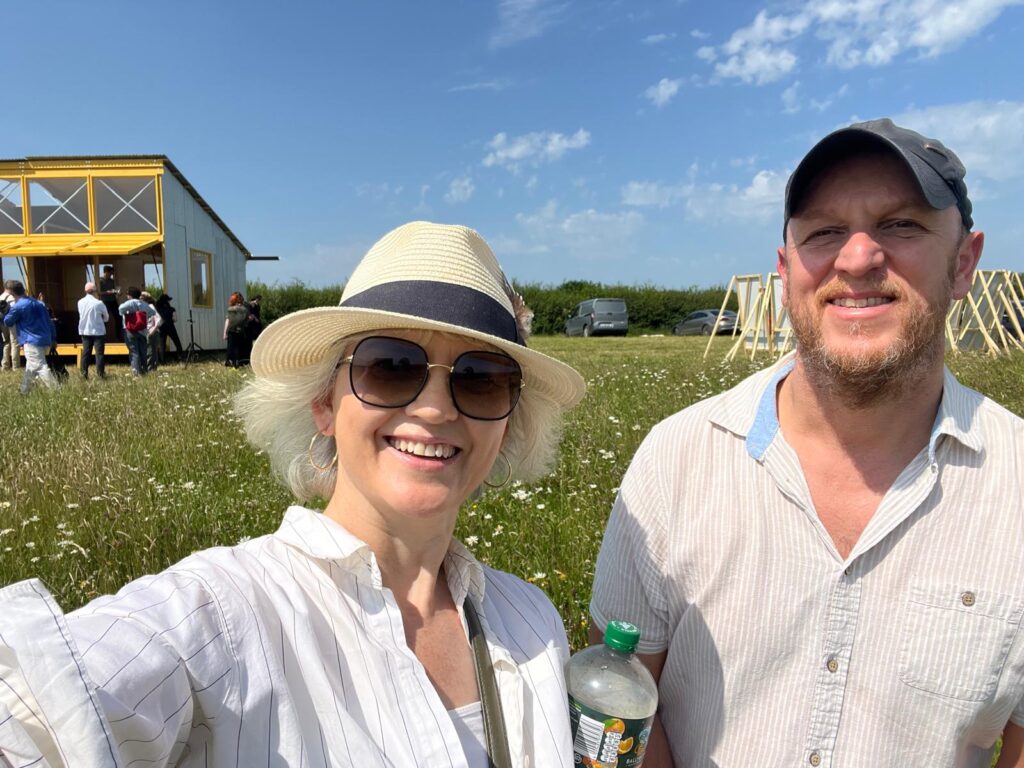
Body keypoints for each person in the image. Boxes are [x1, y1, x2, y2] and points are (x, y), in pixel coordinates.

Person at [0, 221, 586, 767]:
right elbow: (44, 712)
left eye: (480, 379)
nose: (434, 408)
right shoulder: (222, 615)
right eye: (390, 366)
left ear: (508, 423)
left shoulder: (532, 622)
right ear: (324, 404)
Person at [590, 119, 1024, 768]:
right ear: (787, 269)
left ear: (964, 262)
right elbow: (621, 706)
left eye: (901, 224)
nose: (857, 258)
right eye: (823, 232)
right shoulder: (675, 461)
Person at [2, 281, 57, 394]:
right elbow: (50, 322)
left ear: (12, 293)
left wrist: (5, 311)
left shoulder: (17, 306)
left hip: (31, 341)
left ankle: (56, 390)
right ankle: (24, 391)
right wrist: (53, 338)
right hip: (45, 339)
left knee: (41, 367)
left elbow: (8, 322)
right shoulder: (39, 303)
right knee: (30, 368)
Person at [118, 286, 155, 376]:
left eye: (127, 294)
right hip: (142, 330)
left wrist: (129, 313)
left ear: (130, 295)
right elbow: (152, 313)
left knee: (134, 351)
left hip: (130, 330)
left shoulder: (129, 303)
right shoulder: (143, 304)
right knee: (143, 351)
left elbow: (120, 309)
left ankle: (137, 372)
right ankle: (144, 370)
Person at [77, 281, 109, 379]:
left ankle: (84, 374)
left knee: (86, 353)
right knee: (99, 354)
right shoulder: (99, 303)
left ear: (85, 290)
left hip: (85, 331)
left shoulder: (80, 302)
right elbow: (106, 317)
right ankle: (100, 374)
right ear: (95, 291)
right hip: (98, 331)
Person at [223, 290, 250, 367]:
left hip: (232, 330)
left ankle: (231, 363)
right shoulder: (245, 310)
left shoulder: (231, 309)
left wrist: (225, 333)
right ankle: (237, 363)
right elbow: (246, 322)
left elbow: (228, 320)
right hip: (240, 331)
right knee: (238, 348)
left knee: (231, 348)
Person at [155, 293, 184, 361]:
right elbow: (175, 319)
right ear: (167, 301)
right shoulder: (172, 309)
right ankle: (180, 356)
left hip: (161, 328)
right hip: (171, 327)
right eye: (168, 300)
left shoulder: (157, 309)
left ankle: (162, 360)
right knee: (177, 342)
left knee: (162, 344)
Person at [140, 291, 164, 371]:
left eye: (141, 297)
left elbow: (159, 319)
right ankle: (152, 369)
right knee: (151, 351)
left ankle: (150, 369)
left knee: (150, 351)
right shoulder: (143, 307)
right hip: (148, 331)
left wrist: (153, 329)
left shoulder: (150, 306)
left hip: (151, 331)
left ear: (144, 299)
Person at [0, 280, 19, 370]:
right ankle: (15, 366)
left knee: (6, 343)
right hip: (11, 323)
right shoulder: (11, 297)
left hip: (2, 323)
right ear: (11, 288)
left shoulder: (1, 296)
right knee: (14, 343)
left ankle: (5, 365)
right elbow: (15, 309)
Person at [99, 265, 120, 340]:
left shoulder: (112, 281)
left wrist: (117, 292)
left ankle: (119, 337)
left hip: (113, 301)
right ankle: (102, 336)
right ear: (106, 272)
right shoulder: (99, 281)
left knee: (119, 318)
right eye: (110, 273)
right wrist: (107, 292)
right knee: (105, 319)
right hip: (105, 302)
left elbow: (115, 290)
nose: (111, 275)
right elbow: (98, 293)